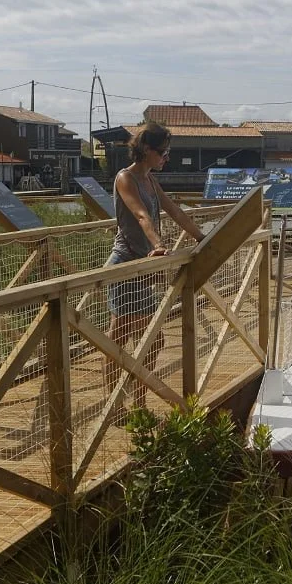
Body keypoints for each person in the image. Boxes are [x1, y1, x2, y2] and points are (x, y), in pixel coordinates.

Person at [106, 122, 204, 410]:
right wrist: (159, 245)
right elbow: (140, 216)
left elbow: (174, 211)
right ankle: (114, 405)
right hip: (125, 266)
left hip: (143, 268)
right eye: (162, 152)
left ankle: (137, 402)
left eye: (168, 153)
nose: (166, 158)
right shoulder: (126, 178)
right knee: (118, 342)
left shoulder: (150, 180)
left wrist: (203, 238)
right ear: (146, 150)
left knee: (151, 340)